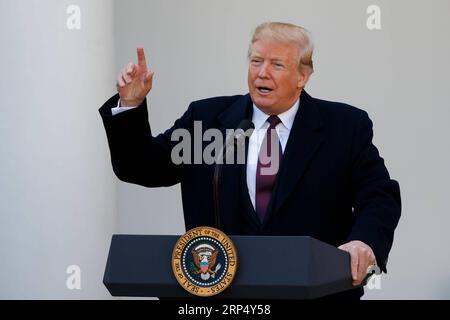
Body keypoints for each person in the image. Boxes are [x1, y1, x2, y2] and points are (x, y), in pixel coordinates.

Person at [99, 22, 401, 299]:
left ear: (303, 76)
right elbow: (141, 167)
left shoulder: (345, 127)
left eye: (276, 64)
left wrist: (363, 242)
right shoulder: (207, 122)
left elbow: (379, 195)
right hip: (221, 296)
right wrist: (131, 105)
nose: (262, 73)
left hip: (315, 295)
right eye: (256, 61)